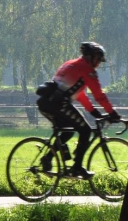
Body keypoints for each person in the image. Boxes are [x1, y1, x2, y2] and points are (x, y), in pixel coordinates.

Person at [36, 41, 121, 179]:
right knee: (85, 131)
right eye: (98, 59)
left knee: (68, 131)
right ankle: (77, 168)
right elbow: (99, 95)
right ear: (91, 57)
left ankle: (47, 158)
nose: (99, 63)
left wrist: (94, 112)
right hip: (59, 104)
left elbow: (80, 95)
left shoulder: (71, 64)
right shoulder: (87, 69)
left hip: (47, 102)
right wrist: (112, 113)